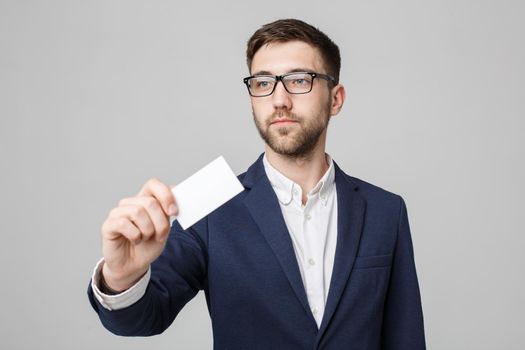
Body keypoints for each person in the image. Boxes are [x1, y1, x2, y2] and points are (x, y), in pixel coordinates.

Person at [87, 18, 426, 349]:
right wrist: (120, 276)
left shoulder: (386, 210)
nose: (279, 100)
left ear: (335, 99)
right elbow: (146, 317)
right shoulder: (211, 208)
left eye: (298, 80)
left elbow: (405, 337)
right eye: (263, 83)